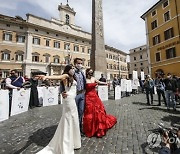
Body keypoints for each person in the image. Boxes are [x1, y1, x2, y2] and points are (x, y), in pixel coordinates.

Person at [36, 65, 81, 154]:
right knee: (69, 119)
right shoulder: (66, 76)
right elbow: (58, 77)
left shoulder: (73, 77)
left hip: (72, 99)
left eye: (73, 68)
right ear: (68, 70)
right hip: (68, 100)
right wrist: (46, 76)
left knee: (73, 119)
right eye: (71, 68)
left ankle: (74, 142)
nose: (73, 69)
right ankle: (67, 143)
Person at [83, 68, 117, 138]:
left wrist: (106, 83)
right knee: (89, 112)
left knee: (98, 111)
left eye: (92, 72)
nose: (91, 73)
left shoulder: (93, 78)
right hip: (88, 97)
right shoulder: (84, 80)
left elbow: (99, 82)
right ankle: (90, 128)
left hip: (95, 97)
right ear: (87, 73)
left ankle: (98, 127)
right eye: (90, 72)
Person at [73, 58, 86, 135]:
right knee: (74, 112)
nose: (80, 64)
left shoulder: (82, 72)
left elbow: (84, 82)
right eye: (78, 63)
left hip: (82, 94)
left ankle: (80, 127)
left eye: (81, 63)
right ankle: (75, 128)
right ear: (75, 63)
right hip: (75, 94)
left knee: (81, 111)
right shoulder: (72, 72)